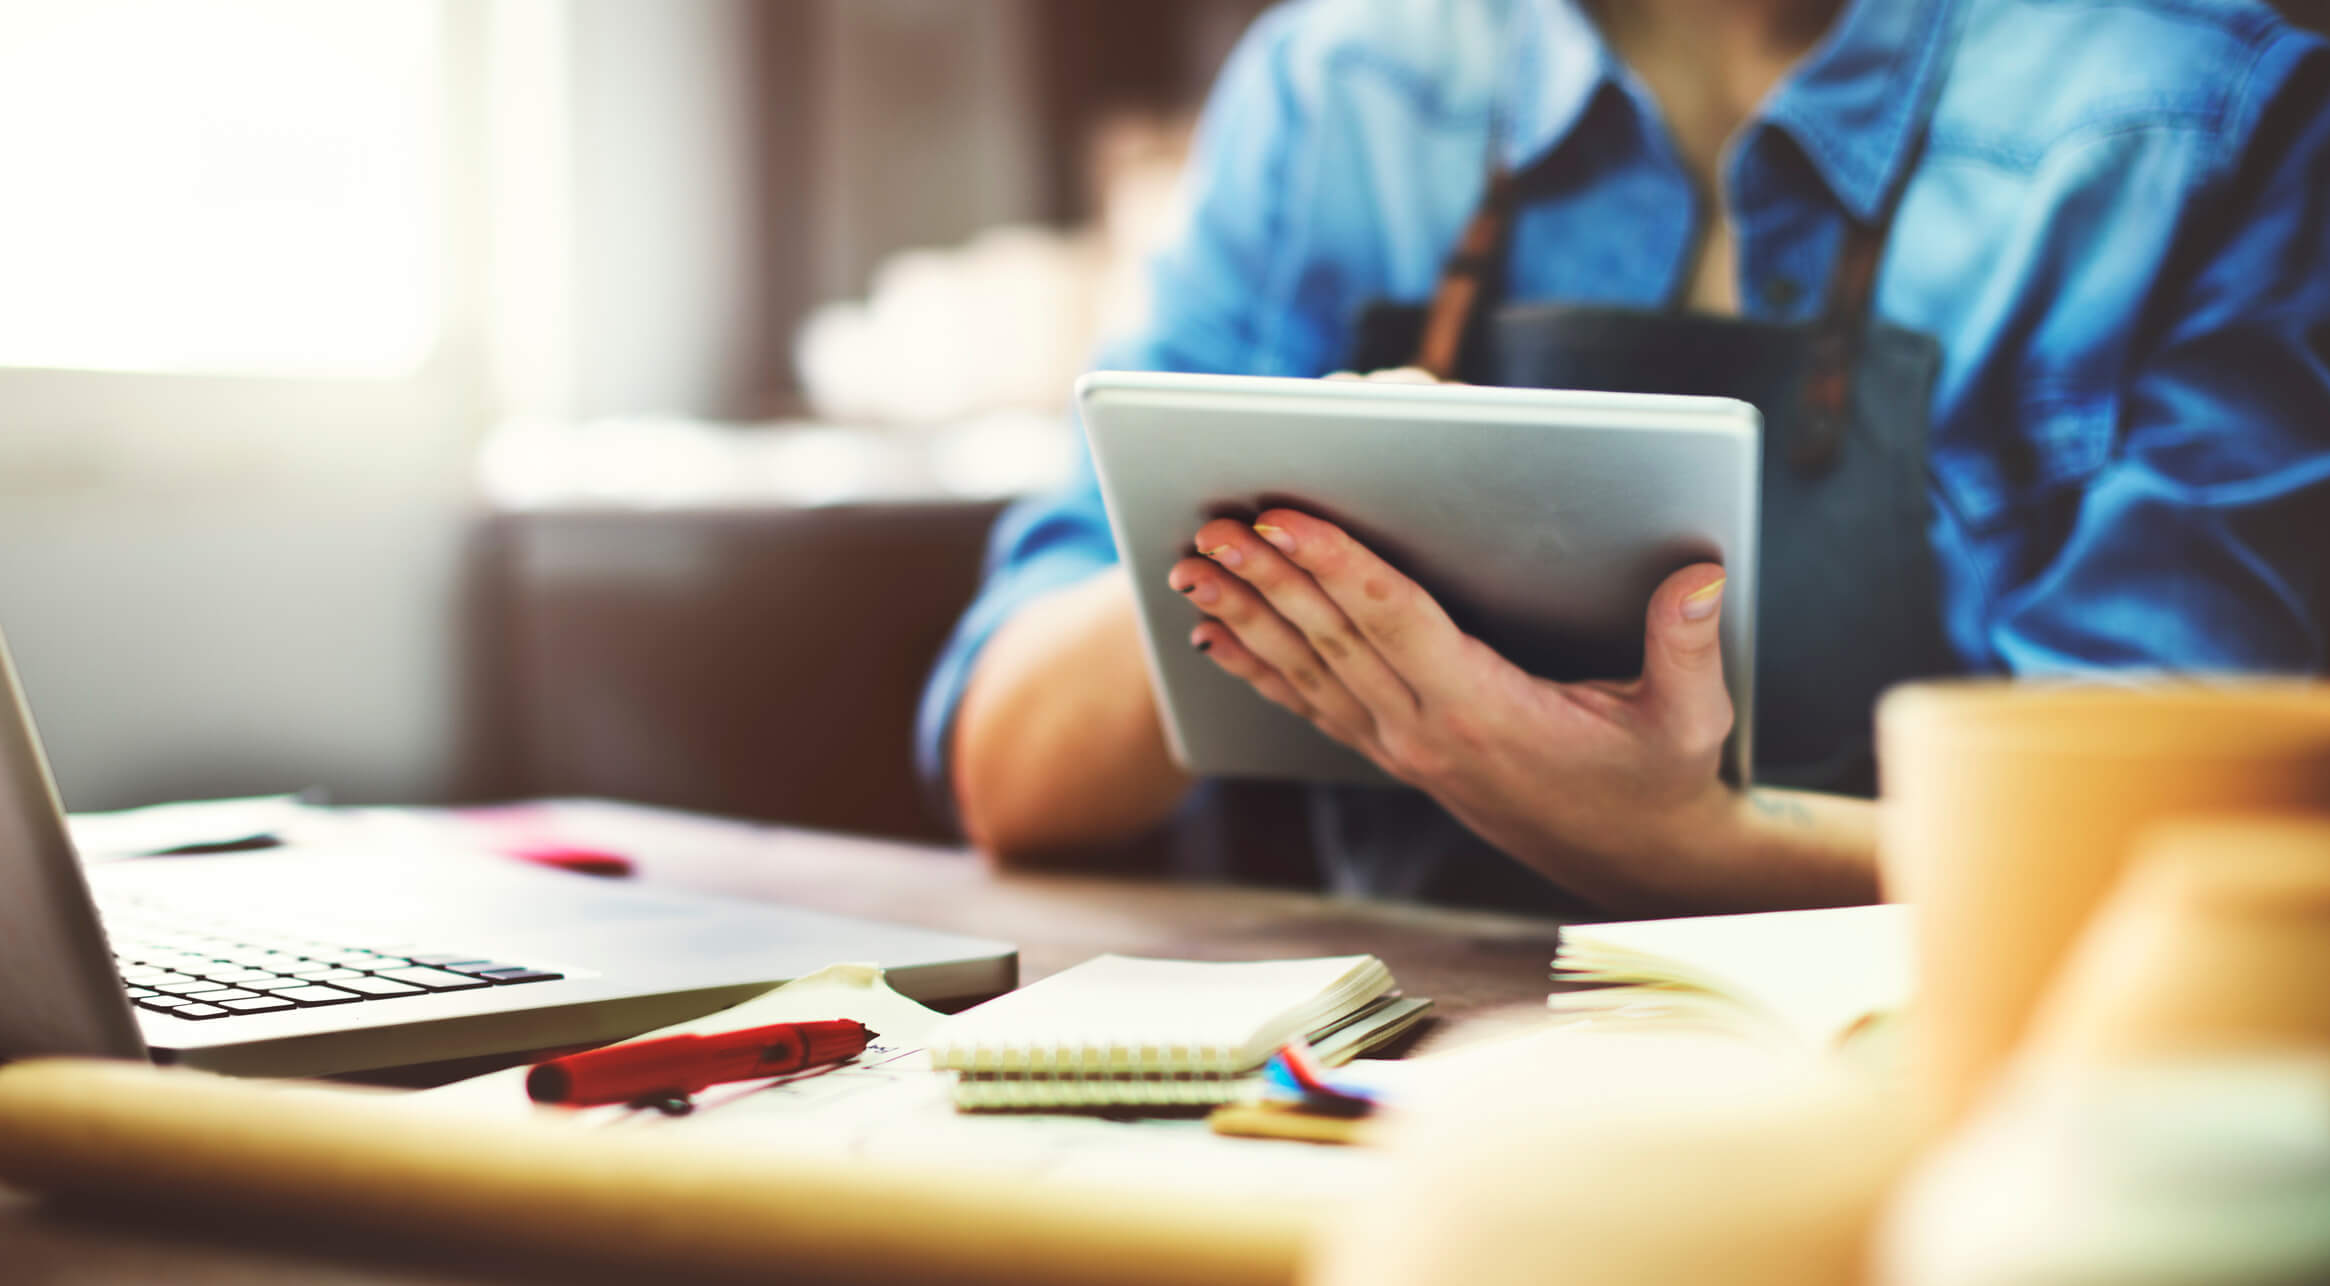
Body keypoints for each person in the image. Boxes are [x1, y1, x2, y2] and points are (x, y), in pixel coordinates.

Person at [917, 0, 2330, 916]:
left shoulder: (2194, 128)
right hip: (1390, 1101)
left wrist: (1682, 849)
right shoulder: (1339, 87)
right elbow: (1015, 767)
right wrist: (1278, 513)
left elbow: (2183, 861)